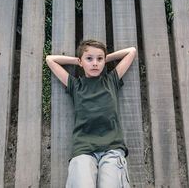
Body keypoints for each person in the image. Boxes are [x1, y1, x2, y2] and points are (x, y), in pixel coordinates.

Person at [46, 39, 137, 188]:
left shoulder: (111, 80)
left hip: (112, 148)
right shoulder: (76, 85)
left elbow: (131, 51)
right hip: (83, 149)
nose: (95, 63)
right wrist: (78, 60)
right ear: (81, 61)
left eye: (99, 59)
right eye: (89, 59)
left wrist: (106, 59)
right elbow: (50, 60)